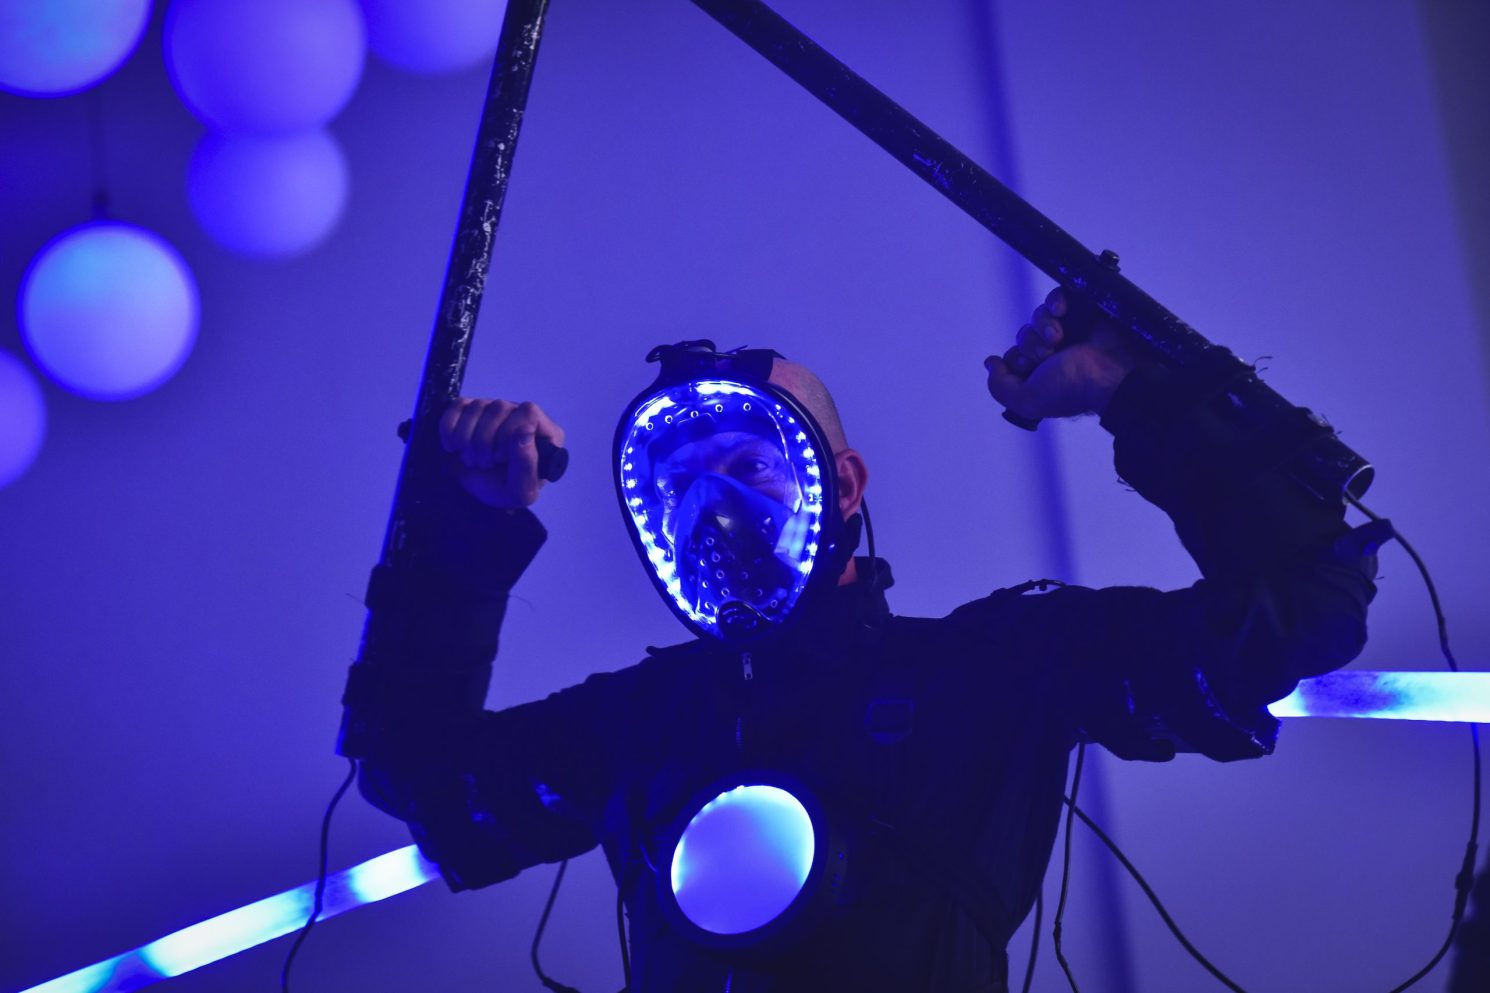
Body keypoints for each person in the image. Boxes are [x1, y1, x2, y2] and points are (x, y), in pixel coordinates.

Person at [341, 289, 1386, 992]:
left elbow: (1295, 613)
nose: (709, 512)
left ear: (840, 488)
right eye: (676, 484)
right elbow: (423, 782)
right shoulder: (640, 724)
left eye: (747, 469)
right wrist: (465, 532)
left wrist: (1144, 391)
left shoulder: (992, 670)